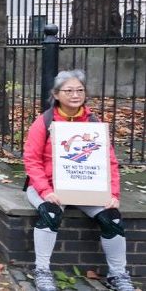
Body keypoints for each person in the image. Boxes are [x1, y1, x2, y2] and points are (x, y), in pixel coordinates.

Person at [23, 70, 134, 291]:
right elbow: (31, 160)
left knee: (112, 218)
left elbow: (109, 162)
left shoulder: (93, 123)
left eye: (80, 90)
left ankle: (118, 275)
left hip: (86, 185)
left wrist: (113, 194)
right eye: (69, 90)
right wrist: (45, 191)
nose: (75, 95)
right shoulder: (44, 122)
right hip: (49, 187)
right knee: (50, 213)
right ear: (56, 94)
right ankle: (42, 271)